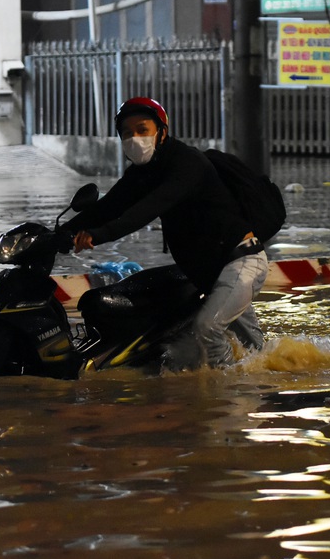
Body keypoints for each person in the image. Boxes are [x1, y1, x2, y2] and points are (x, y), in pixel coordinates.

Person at [63, 96, 268, 369]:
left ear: (162, 131)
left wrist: (98, 236)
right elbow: (108, 207)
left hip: (240, 261)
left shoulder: (186, 163)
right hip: (209, 271)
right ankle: (269, 378)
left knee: (208, 329)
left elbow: (146, 210)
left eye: (142, 129)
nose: (134, 138)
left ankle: (231, 392)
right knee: (255, 350)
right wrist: (57, 235)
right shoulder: (143, 172)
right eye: (127, 133)